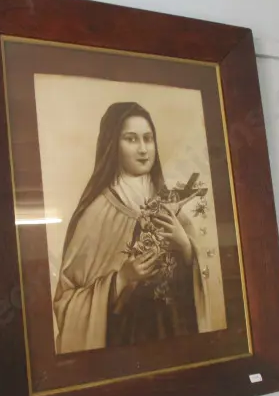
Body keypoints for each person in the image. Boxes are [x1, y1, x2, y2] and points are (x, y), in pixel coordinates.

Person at [53, 102, 211, 354]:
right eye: (131, 139)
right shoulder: (96, 214)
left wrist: (184, 246)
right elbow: (66, 301)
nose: (143, 149)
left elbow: (197, 291)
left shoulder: (171, 204)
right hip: (124, 347)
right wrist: (122, 279)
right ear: (112, 145)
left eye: (148, 138)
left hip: (174, 338)